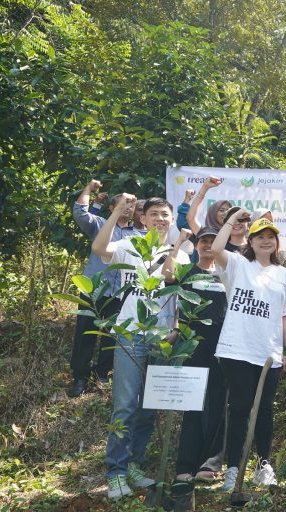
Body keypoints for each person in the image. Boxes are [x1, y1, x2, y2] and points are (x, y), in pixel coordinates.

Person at [92, 195, 187, 500]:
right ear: (143, 219)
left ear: (172, 220)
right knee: (124, 405)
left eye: (166, 215)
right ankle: (116, 472)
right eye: (155, 214)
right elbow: (98, 249)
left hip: (161, 339)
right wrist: (119, 210)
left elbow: (177, 293)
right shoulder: (129, 246)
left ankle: (134, 464)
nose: (161, 219)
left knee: (149, 407)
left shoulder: (180, 255)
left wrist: (175, 329)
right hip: (130, 333)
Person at [210, 211, 286, 492]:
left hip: (268, 352)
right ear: (251, 240)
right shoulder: (237, 264)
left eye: (271, 237)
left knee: (265, 411)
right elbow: (215, 249)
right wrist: (231, 219)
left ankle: (263, 465)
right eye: (260, 236)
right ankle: (233, 469)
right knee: (239, 409)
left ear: (277, 243)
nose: (266, 241)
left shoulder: (283, 274)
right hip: (236, 349)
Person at [167, 226, 230, 504]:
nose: (207, 246)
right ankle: (185, 465)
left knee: (218, 402)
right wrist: (180, 240)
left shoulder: (227, 274)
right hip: (191, 343)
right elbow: (166, 276)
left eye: (213, 242)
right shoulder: (186, 272)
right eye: (204, 241)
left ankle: (212, 463)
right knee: (191, 404)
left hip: (223, 345)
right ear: (197, 245)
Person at [68, 179, 142, 397]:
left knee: (113, 335)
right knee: (84, 334)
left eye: (131, 204)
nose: (128, 207)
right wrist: (88, 189)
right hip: (94, 290)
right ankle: (80, 377)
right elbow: (80, 213)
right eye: (123, 203)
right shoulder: (100, 224)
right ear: (112, 207)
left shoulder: (138, 235)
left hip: (121, 293)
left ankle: (102, 373)